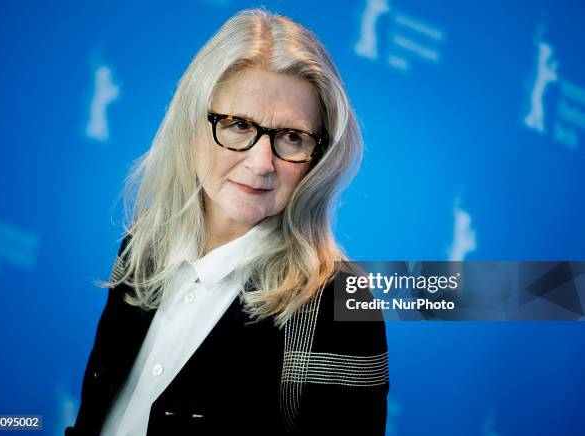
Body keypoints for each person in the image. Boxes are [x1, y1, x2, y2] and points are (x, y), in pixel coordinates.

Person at [66, 7, 389, 436]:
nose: (261, 164)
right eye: (238, 125)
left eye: (291, 137)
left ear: (318, 156)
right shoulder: (141, 247)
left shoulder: (342, 303)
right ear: (192, 125)